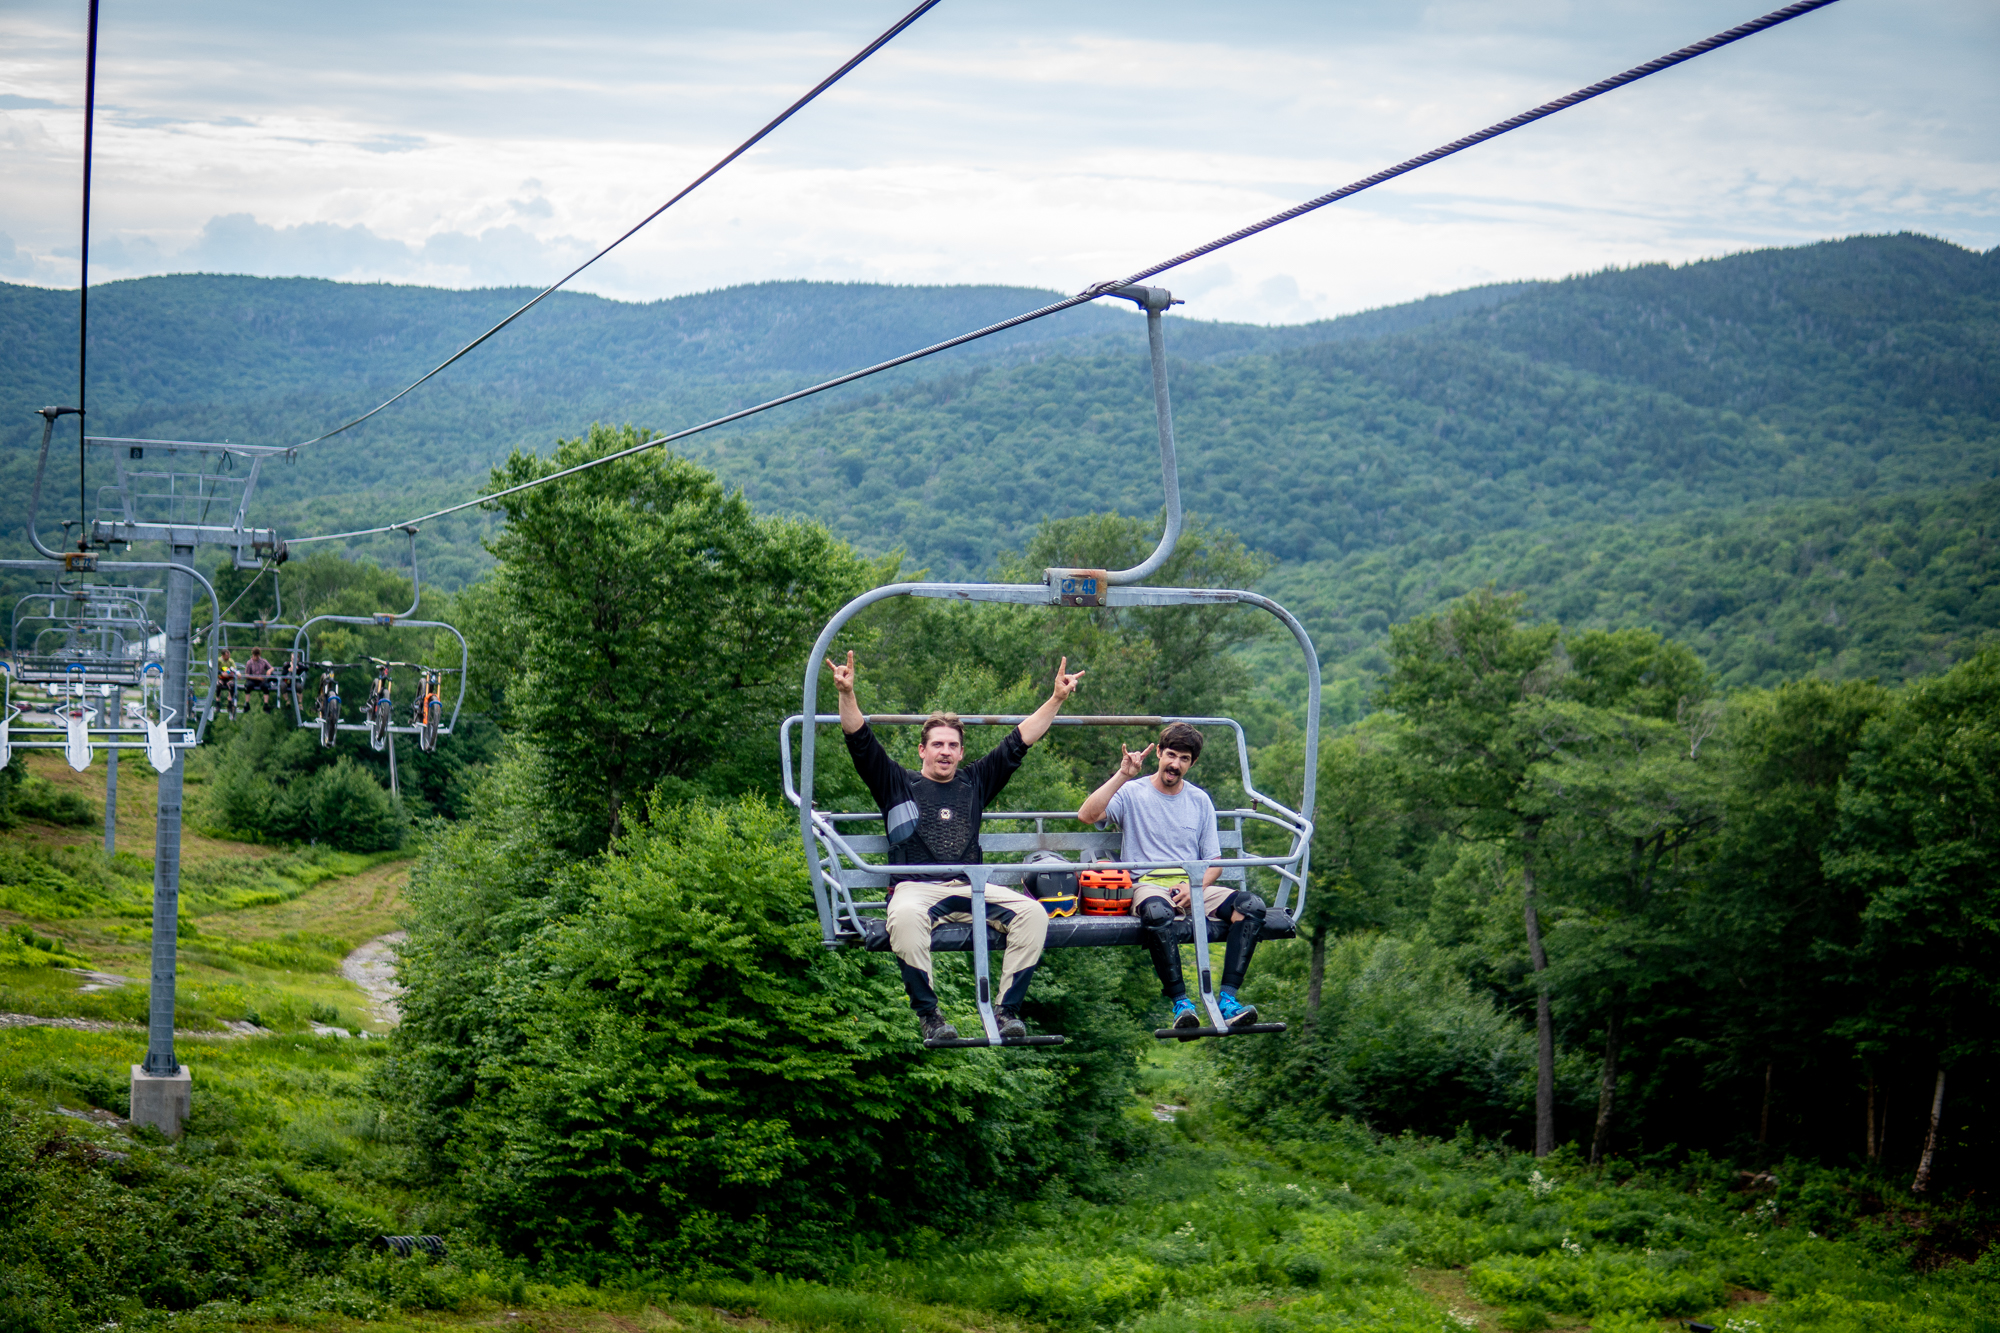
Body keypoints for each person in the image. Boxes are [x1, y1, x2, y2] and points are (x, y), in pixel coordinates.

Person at [829, 650, 1083, 1043]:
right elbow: (860, 742)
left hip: (970, 889)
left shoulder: (975, 782)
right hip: (916, 889)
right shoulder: (897, 782)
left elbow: (1020, 740)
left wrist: (1057, 699)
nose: (945, 751)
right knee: (907, 920)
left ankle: (1006, 1012)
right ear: (922, 750)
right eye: (937, 745)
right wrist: (847, 693)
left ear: (961, 752)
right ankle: (930, 1016)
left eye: (952, 745)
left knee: (1033, 914)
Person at [1077, 722, 1266, 1030]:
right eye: (1172, 755)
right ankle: (1181, 1003)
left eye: (1184, 759)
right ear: (1159, 754)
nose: (1175, 765)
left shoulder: (1200, 801)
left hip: (1192, 884)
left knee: (1252, 907)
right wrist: (1123, 774)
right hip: (1147, 883)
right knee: (1156, 912)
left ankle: (1228, 1000)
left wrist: (1196, 886)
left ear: (1191, 764)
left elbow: (1214, 863)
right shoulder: (1132, 792)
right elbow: (1086, 815)